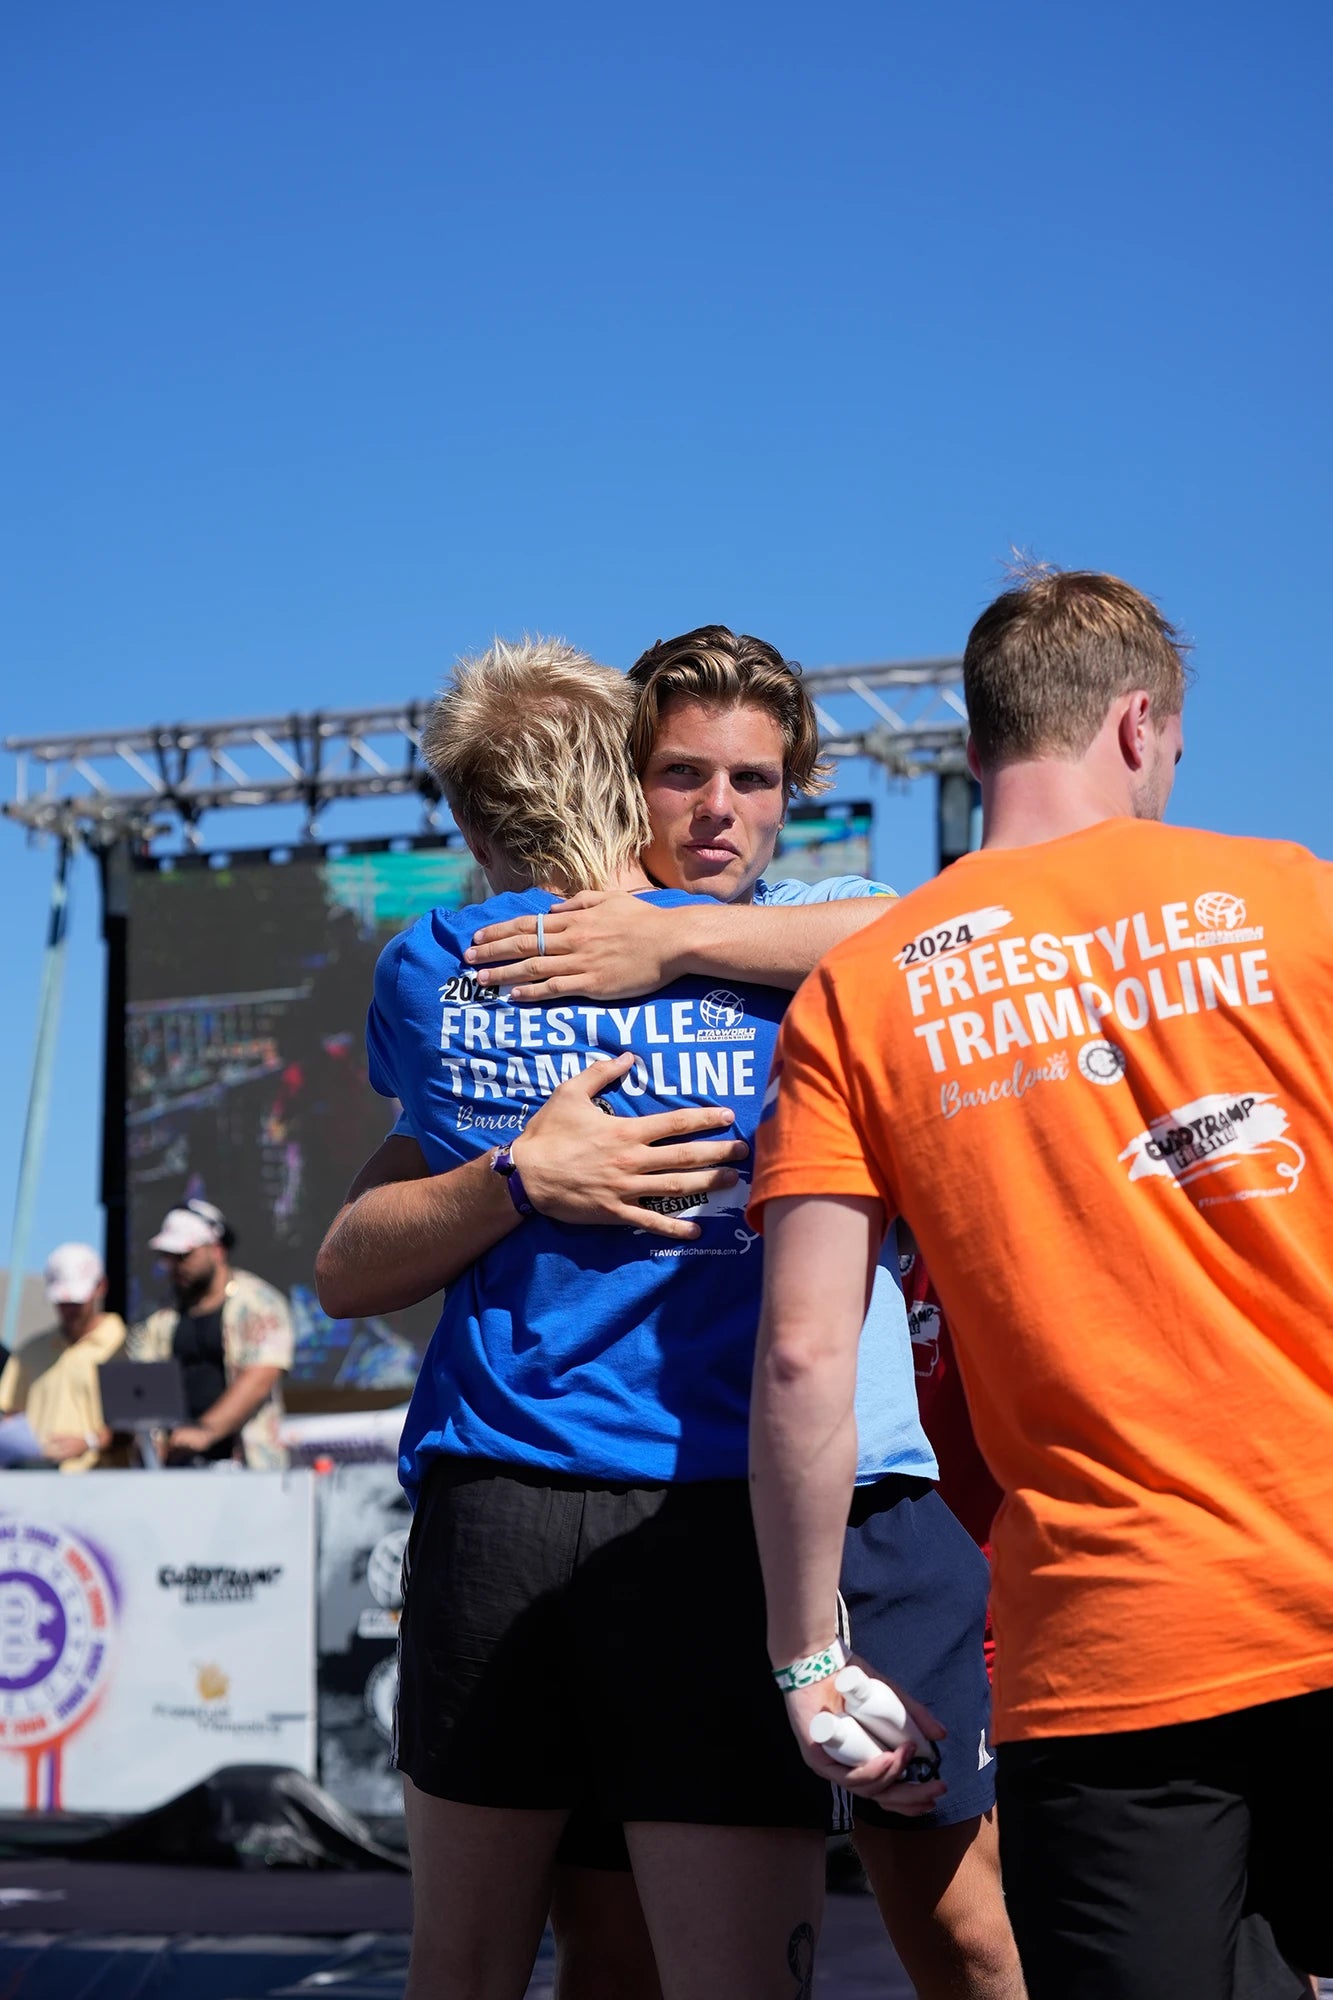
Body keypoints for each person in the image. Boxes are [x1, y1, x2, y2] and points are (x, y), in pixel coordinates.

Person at [320, 629, 1020, 2000]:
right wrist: (522, 1174)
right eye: (680, 775)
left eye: (751, 781)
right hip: (618, 1504)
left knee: (952, 1927)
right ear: (620, 780)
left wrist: (671, 936)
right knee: (621, 1950)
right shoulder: (554, 965)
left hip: (786, 1500)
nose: (716, 810)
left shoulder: (795, 939)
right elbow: (351, 1256)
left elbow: (930, 929)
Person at [747, 565, 1333, 1999]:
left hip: (1110, 1648)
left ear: (972, 747)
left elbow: (804, 1357)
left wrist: (806, 1659)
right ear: (1138, 725)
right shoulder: (1298, 901)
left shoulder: (861, 991)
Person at [129, 1199, 293, 1467]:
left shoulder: (259, 1303)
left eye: (184, 1255)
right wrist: (152, 1441)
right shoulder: (157, 1317)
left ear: (216, 1250)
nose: (174, 1266)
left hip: (246, 1466)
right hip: (174, 1467)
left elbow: (261, 1376)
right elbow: (144, 1383)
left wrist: (205, 1430)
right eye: (168, 1257)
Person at [0, 1243, 125, 1470]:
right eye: (62, 1302)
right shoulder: (29, 1352)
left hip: (102, 1482)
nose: (69, 1309)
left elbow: (138, 1424)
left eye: (76, 1301)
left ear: (101, 1287)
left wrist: (89, 1442)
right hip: (36, 1479)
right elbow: (11, 1415)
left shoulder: (124, 1347)